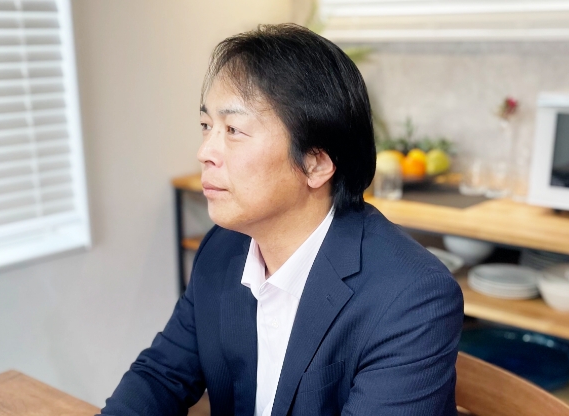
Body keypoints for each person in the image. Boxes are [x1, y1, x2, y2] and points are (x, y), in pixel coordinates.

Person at [99, 23, 463, 416]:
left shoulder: (412, 297)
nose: (205, 152)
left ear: (315, 163)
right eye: (206, 126)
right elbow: (160, 376)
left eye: (233, 130)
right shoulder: (222, 248)